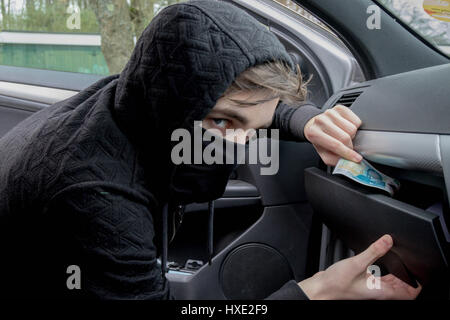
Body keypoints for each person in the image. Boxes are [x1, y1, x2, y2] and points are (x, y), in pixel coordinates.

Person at [0, 0, 421, 299]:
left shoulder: (133, 100)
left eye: (250, 127)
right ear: (171, 106)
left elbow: (252, 106)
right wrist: (315, 292)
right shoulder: (95, 194)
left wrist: (305, 120)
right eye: (223, 124)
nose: (237, 146)